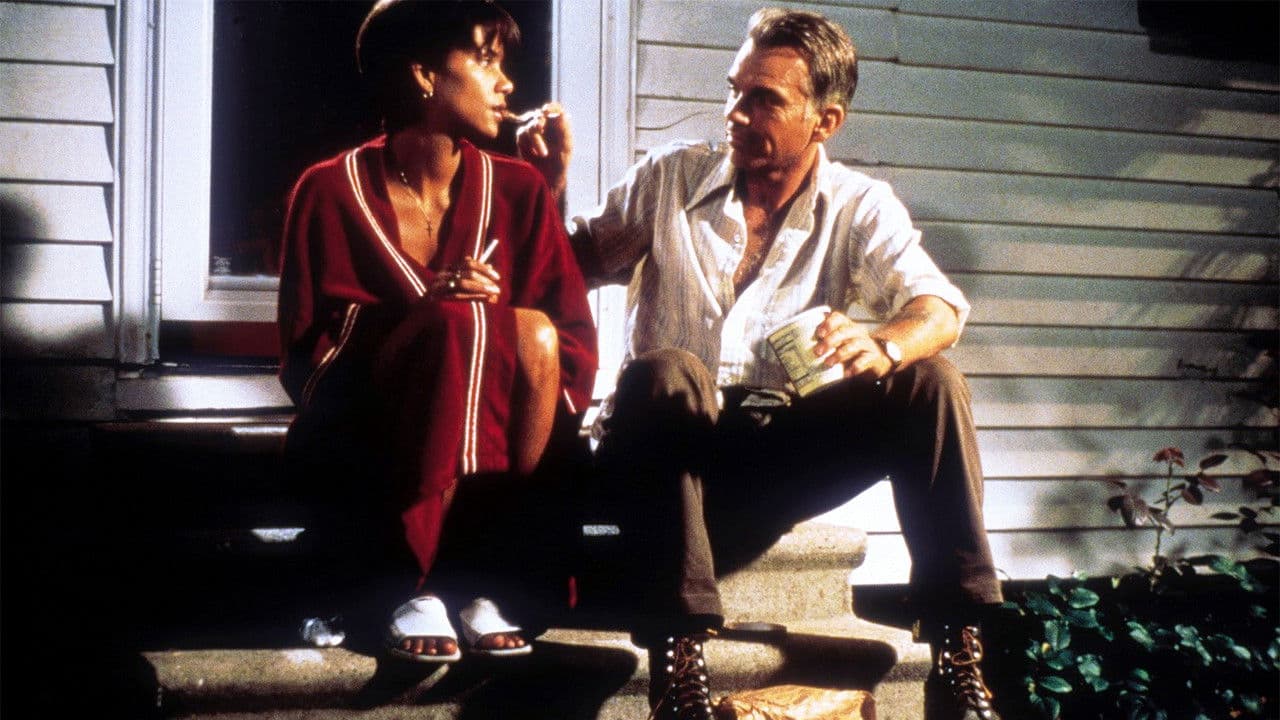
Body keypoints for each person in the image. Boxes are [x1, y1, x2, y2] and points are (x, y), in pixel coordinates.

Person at [521, 7, 1003, 719]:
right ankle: (680, 664)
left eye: (764, 99)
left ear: (824, 121)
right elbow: (559, 270)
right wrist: (547, 188)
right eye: (733, 90)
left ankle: (959, 656)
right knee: (669, 369)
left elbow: (939, 307)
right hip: (656, 456)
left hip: (770, 462)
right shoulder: (670, 179)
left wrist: (885, 344)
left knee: (932, 381)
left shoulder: (859, 205)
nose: (735, 114)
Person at [277, 0, 597, 664]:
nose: (506, 83)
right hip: (368, 449)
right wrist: (428, 317)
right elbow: (307, 362)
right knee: (456, 319)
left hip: (504, 459)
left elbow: (570, 341)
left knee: (532, 331)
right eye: (484, 60)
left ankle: (482, 574)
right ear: (423, 75)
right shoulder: (328, 190)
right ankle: (411, 581)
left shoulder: (520, 189)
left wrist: (490, 327)